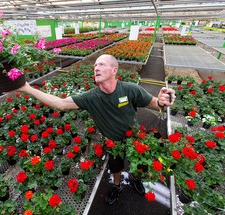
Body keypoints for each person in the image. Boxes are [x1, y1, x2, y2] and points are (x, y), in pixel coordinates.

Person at [17, 54, 176, 205]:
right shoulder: (91, 97)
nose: (96, 68)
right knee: (115, 166)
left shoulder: (130, 89)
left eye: (101, 64)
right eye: (95, 65)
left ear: (114, 70)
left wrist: (161, 101)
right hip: (113, 142)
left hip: (134, 138)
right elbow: (61, 104)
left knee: (141, 164)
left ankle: (136, 178)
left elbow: (152, 103)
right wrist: (28, 88)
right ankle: (117, 185)